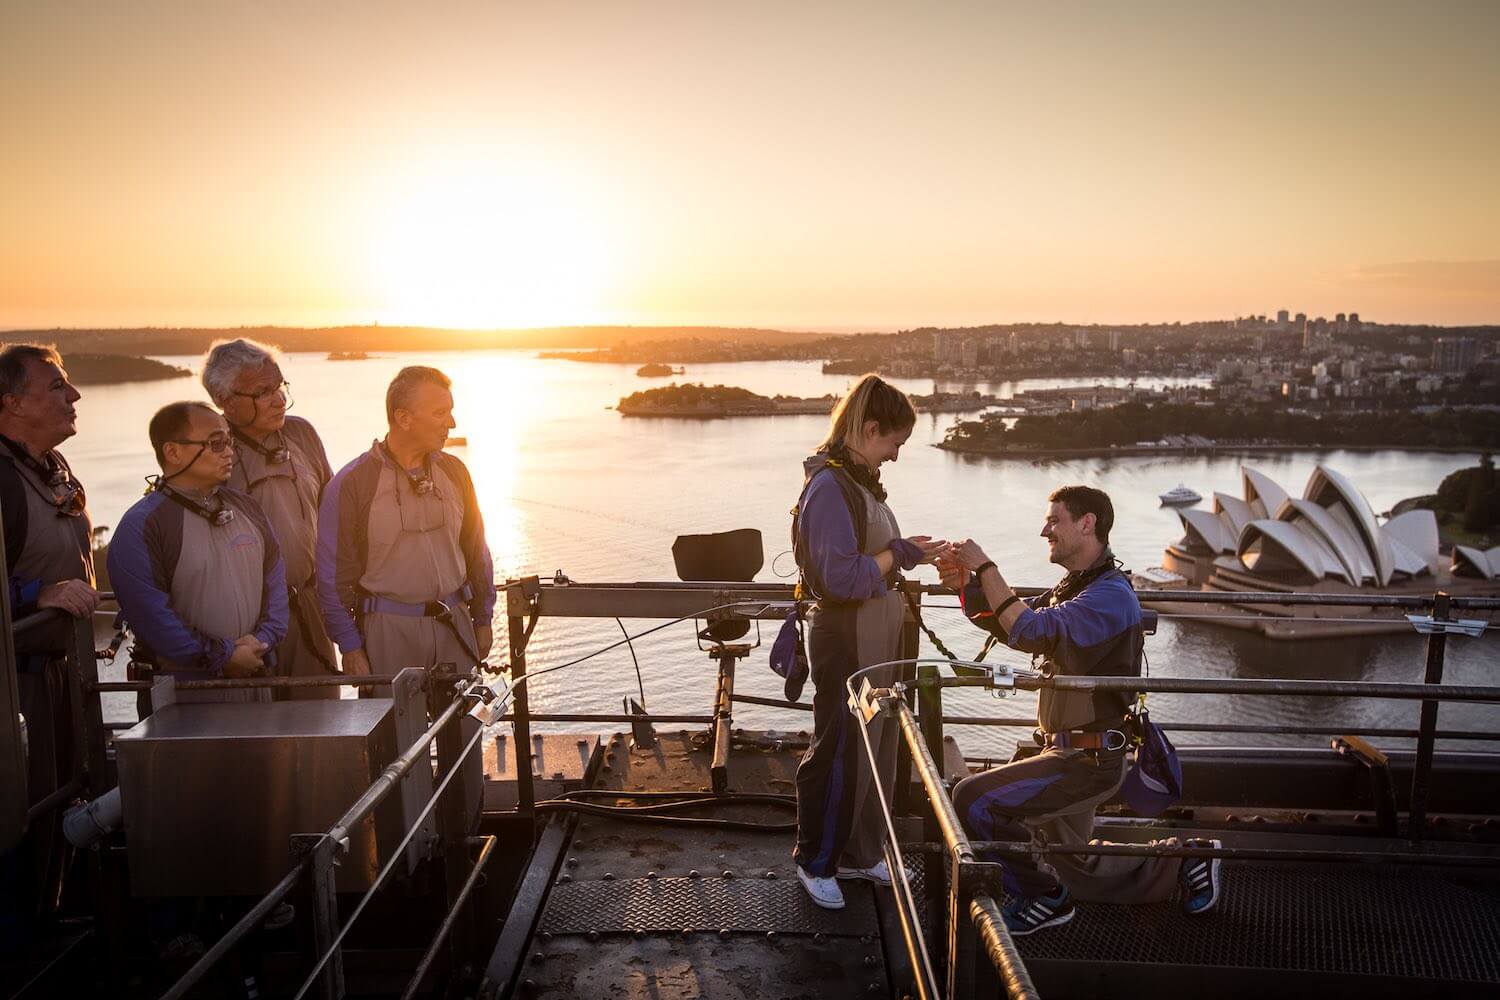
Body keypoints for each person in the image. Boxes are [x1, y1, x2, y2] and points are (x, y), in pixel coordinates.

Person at [939, 485, 1221, 934]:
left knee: (975, 800)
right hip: (1072, 750)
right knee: (1071, 864)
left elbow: (1030, 631)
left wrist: (986, 566)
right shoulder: (1080, 587)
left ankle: (1045, 900)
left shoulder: (1108, 597)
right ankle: (1188, 859)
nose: (1044, 530)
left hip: (1085, 761)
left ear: (1086, 524)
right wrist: (968, 585)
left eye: (1055, 520)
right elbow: (1011, 621)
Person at [791, 374, 946, 910]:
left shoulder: (858, 485)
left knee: (876, 748)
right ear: (869, 428)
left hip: (876, 637)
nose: (897, 457)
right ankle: (816, 862)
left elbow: (872, 563)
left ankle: (860, 850)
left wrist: (910, 554)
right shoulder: (831, 488)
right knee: (839, 750)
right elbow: (839, 577)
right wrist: (901, 554)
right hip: (847, 638)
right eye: (894, 444)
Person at [0, 344, 99, 944]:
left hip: (65, 672)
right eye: (57, 387)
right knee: (20, 814)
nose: (74, 397)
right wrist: (35, 592)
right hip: (16, 682)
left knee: (68, 802)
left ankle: (53, 924)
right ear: (10, 403)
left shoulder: (54, 468)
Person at [316, 367, 494, 683]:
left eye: (450, 411)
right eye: (440, 413)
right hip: (387, 631)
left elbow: (476, 550)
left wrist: (482, 619)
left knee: (466, 729)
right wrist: (350, 646)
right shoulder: (351, 484)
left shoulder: (455, 472)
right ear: (404, 418)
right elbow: (332, 577)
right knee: (397, 733)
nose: (451, 423)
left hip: (456, 624)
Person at [108, 402, 288, 703]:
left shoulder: (248, 508)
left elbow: (275, 586)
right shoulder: (142, 526)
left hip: (255, 682)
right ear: (173, 452)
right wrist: (223, 657)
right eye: (216, 443)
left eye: (229, 441)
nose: (229, 451)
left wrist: (262, 641)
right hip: (184, 697)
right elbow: (152, 617)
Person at [202, 338, 339, 700]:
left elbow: (333, 516)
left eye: (279, 387)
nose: (279, 399)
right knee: (258, 737)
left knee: (322, 726)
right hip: (244, 622)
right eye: (263, 392)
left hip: (309, 610)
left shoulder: (301, 433)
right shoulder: (208, 449)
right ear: (225, 400)